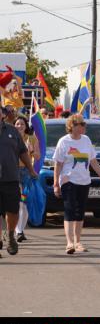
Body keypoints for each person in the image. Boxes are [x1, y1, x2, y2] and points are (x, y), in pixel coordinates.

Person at [53, 114, 100, 254]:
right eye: (81, 124)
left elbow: (93, 161)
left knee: (80, 211)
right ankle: (69, 242)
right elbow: (58, 164)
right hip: (68, 180)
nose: (84, 126)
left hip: (84, 180)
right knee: (70, 209)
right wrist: (56, 184)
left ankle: (78, 242)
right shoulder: (64, 141)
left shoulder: (86, 140)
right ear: (72, 126)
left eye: (84, 124)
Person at [0, 107, 38, 256]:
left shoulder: (12, 131)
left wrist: (31, 169)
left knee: (13, 210)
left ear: (2, 114)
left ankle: (10, 235)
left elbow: (23, 152)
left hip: (10, 177)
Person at [14, 115, 41, 242]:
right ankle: (17, 230)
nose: (19, 126)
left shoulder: (32, 138)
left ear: (26, 126)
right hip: (12, 172)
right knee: (16, 203)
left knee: (23, 203)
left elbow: (38, 156)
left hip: (26, 173)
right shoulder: (9, 137)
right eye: (17, 124)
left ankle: (20, 230)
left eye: (22, 124)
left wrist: (31, 150)